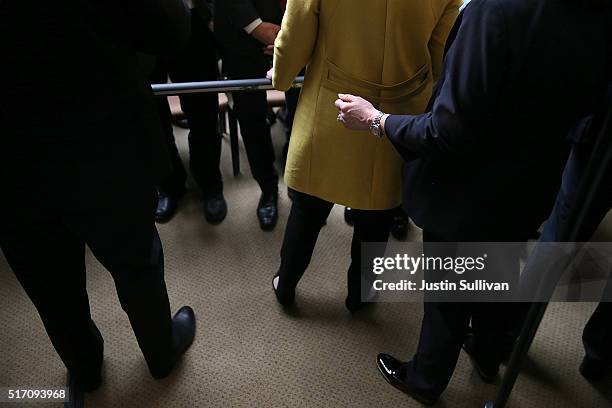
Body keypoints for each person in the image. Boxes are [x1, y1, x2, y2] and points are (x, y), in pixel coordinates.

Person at [337, 0, 611, 403]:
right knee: (498, 269)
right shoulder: (598, 15)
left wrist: (377, 121)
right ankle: (487, 352)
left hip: (466, 188)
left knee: (449, 290)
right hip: (536, 183)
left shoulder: (495, 11)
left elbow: (446, 131)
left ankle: (425, 380)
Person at [0, 0, 197, 392]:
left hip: (11, 161)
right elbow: (171, 31)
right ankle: (161, 353)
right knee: (137, 264)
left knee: (48, 282)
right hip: (105, 146)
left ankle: (85, 366)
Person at [271, 0, 462, 312]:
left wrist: (282, 76)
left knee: (308, 207)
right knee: (377, 215)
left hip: (332, 104)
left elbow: (296, 33)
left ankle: (286, 285)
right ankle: (360, 298)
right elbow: (441, 50)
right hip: (398, 111)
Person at [152, 0, 227, 224]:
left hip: (194, 19)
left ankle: (210, 183)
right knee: (153, 118)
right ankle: (169, 185)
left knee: (203, 112)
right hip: (142, 23)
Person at [214, 0, 284, 231]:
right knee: (252, 122)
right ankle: (268, 189)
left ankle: (302, 188)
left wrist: (292, 36)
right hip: (241, 35)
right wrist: (255, 27)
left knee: (304, 115)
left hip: (301, 28)